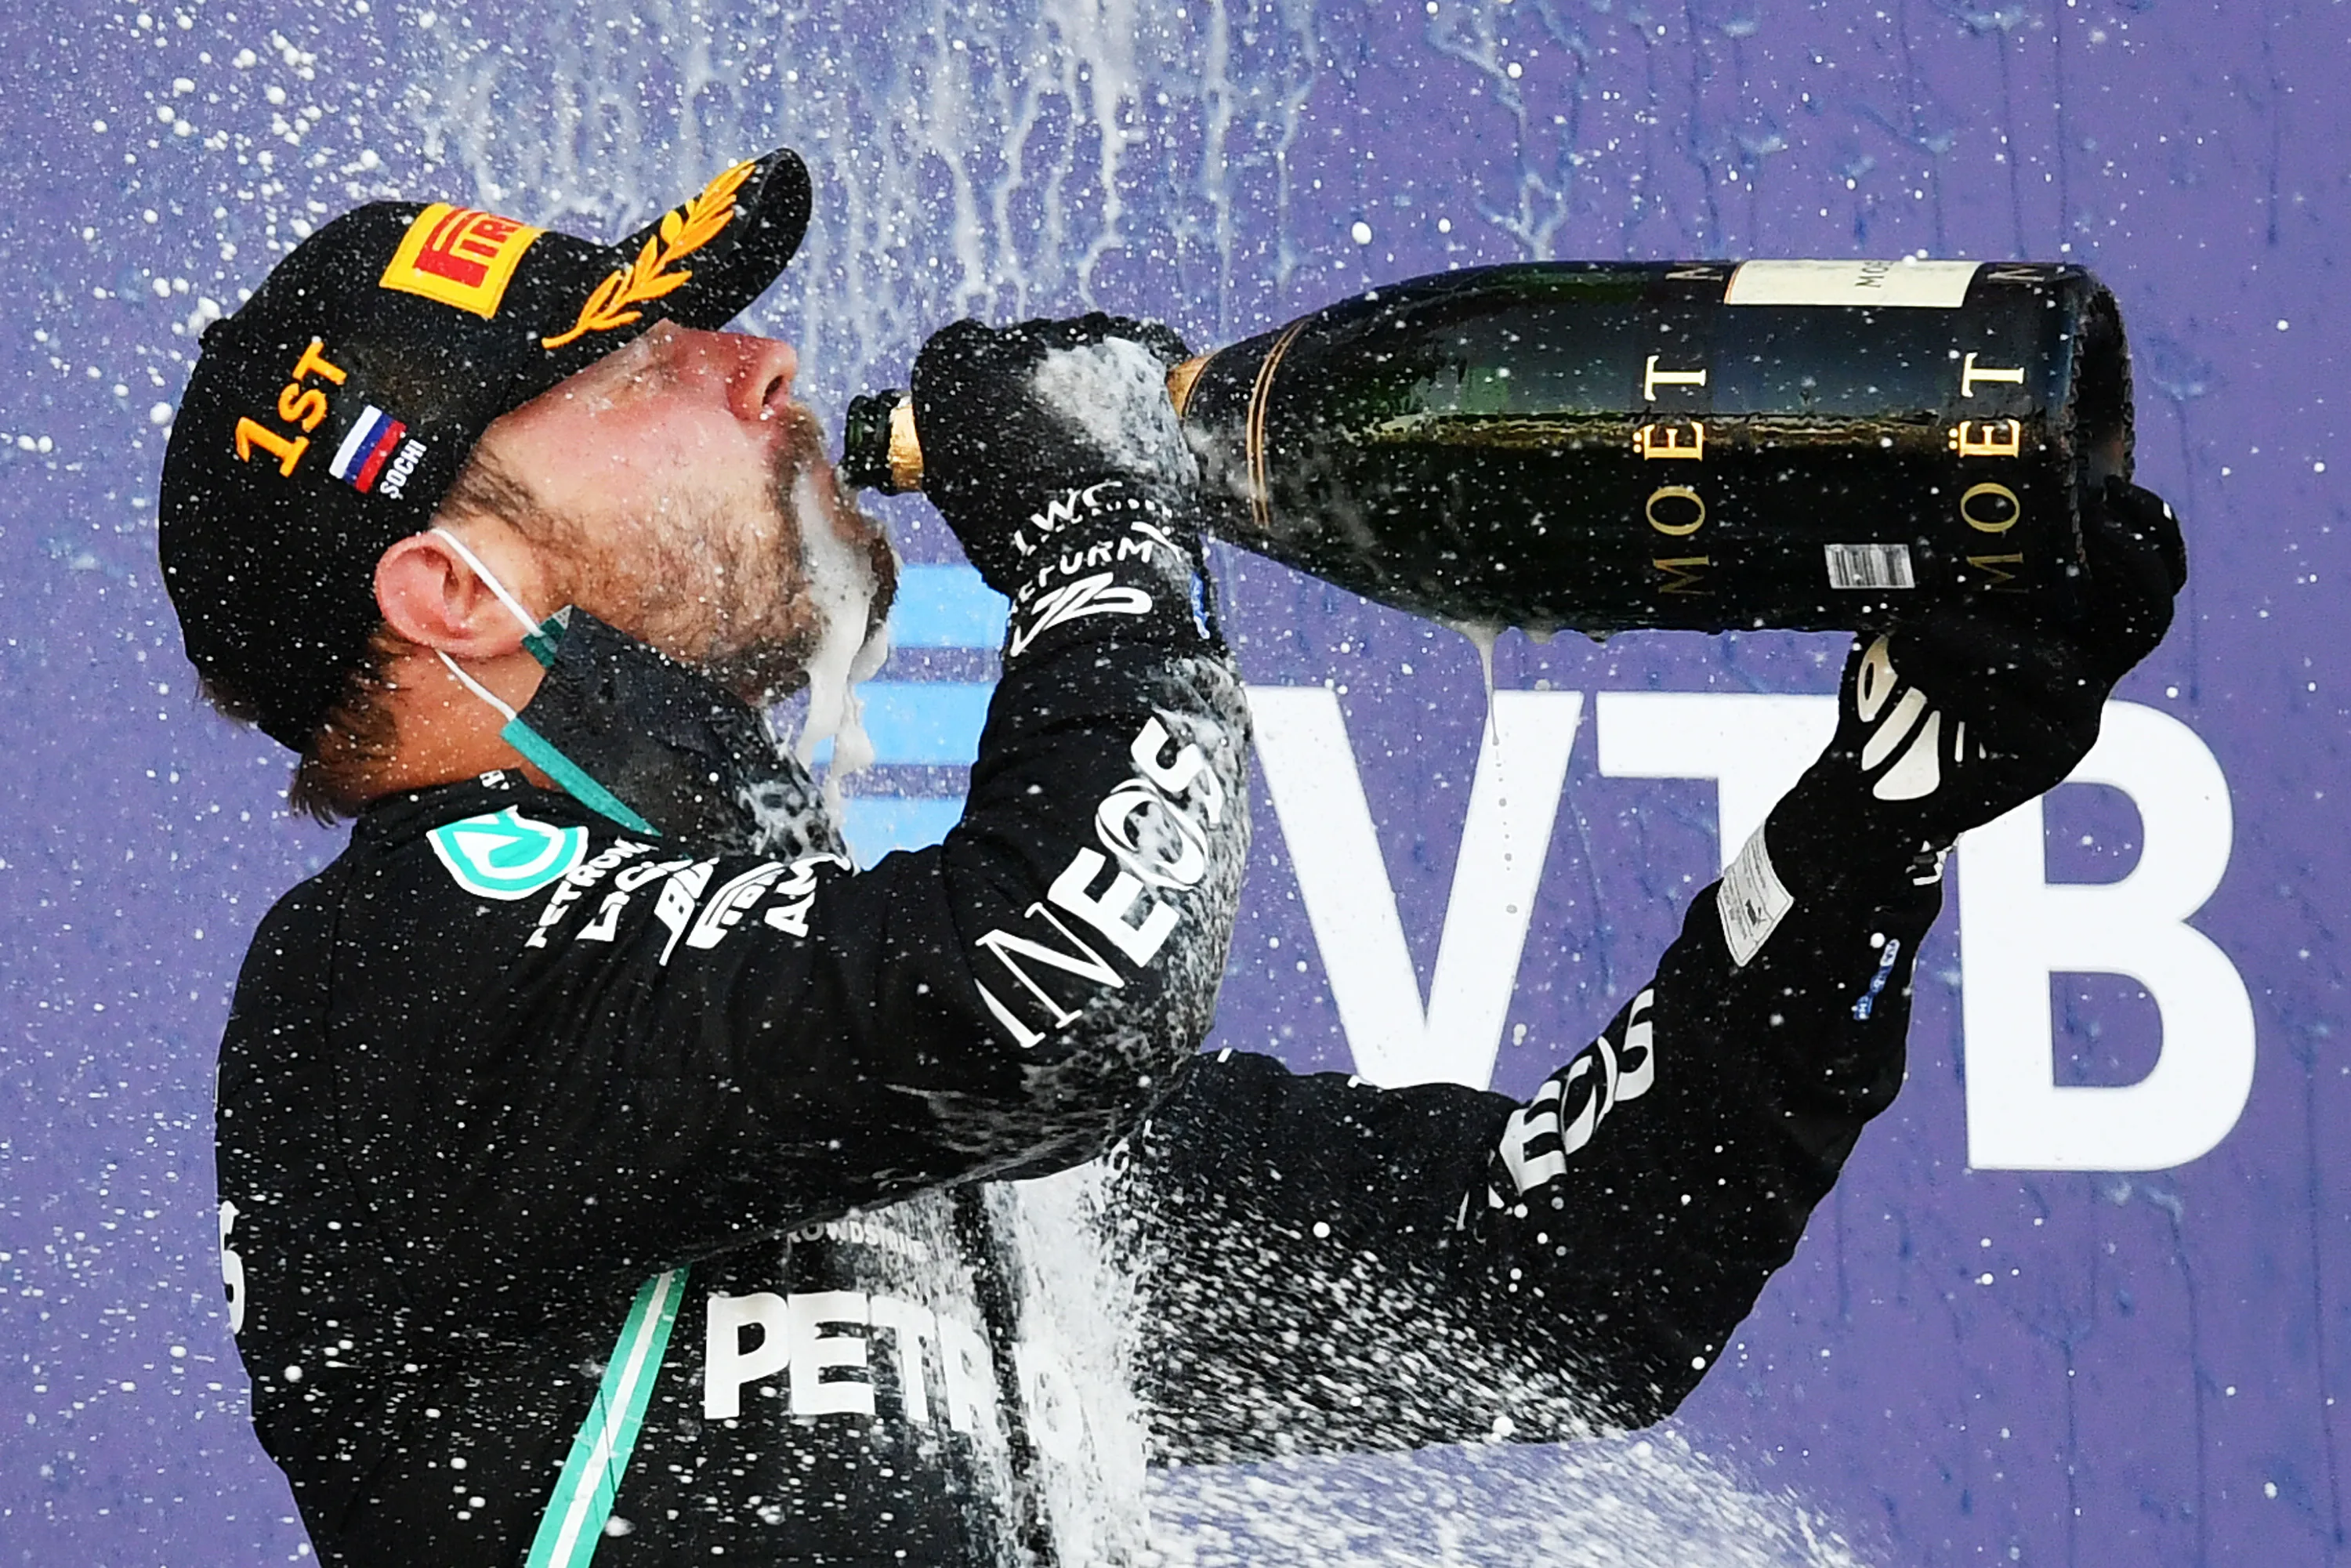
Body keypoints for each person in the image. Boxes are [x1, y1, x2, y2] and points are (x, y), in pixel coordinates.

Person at [161, 146, 2185, 1568]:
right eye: (638, 361)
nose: (760, 368)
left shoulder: (859, 1105)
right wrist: (1107, 529)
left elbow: (1565, 1287)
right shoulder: (393, 990)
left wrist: (1878, 818)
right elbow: (1062, 971)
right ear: (448, 586)